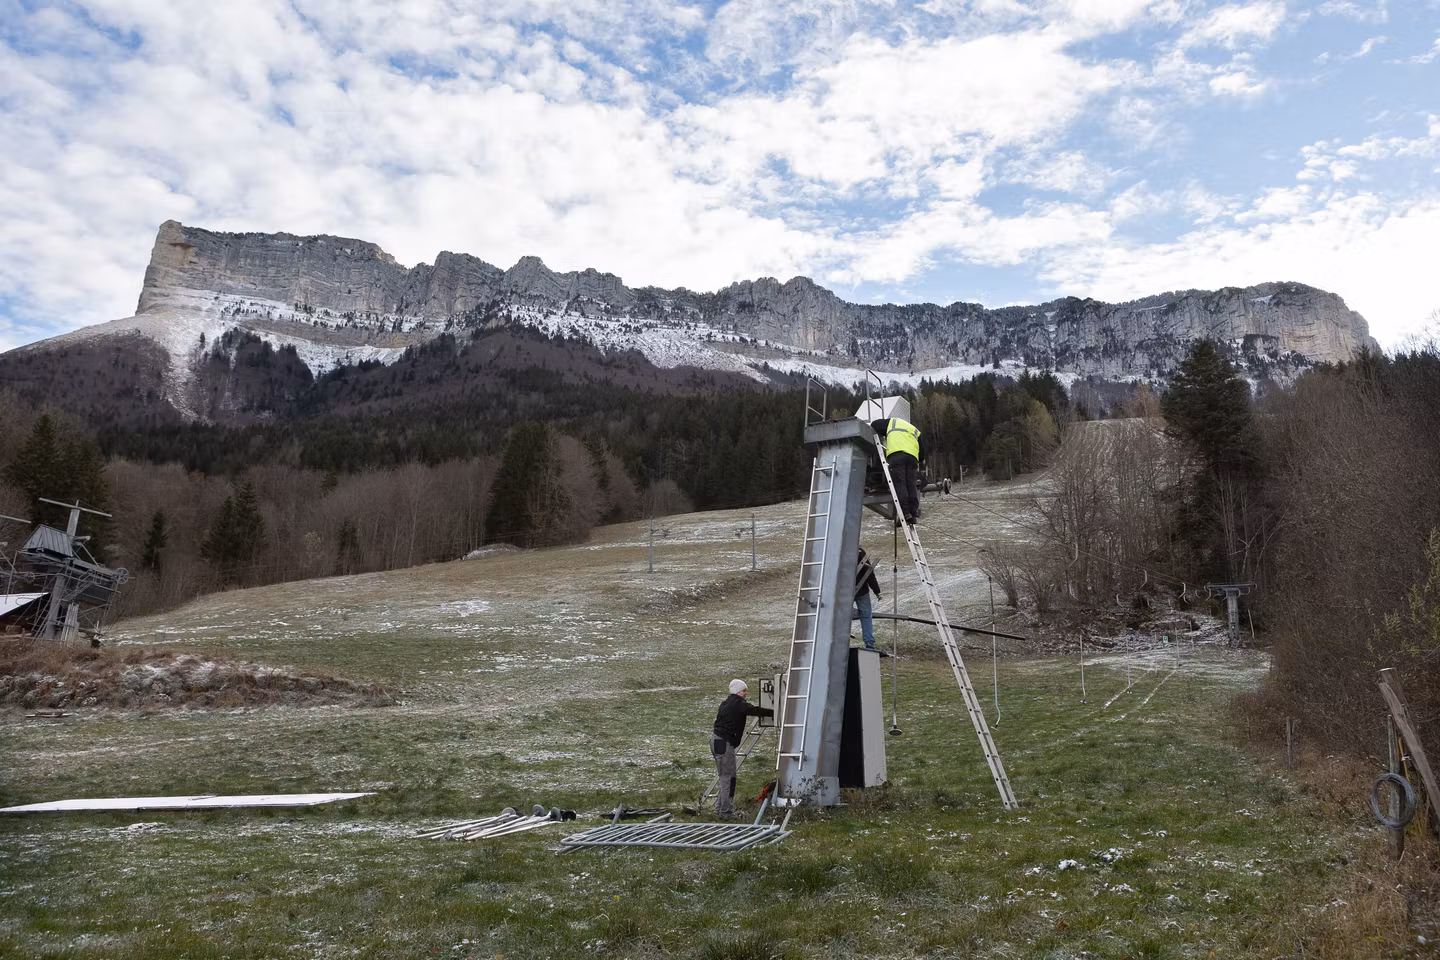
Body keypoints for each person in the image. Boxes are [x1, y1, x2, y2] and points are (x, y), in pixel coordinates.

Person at [711, 679, 774, 818]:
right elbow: (753, 710)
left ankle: (719, 808)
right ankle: (726, 812)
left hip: (716, 741)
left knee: (724, 777)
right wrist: (773, 712)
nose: (746, 693)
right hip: (724, 743)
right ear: (738, 691)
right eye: (744, 690)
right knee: (729, 778)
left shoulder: (725, 703)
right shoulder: (738, 704)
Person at [871, 415, 926, 525]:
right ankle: (913, 513)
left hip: (897, 456)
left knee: (900, 484)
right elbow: (922, 454)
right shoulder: (915, 430)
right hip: (912, 458)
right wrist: (919, 460)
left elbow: (874, 424)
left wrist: (884, 435)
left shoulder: (892, 422)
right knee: (911, 485)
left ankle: (906, 513)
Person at [853, 546, 882, 650]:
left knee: (842, 614)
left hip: (844, 591)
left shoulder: (837, 549)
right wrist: (877, 591)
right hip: (862, 590)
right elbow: (869, 573)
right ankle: (869, 643)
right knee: (866, 616)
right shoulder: (860, 551)